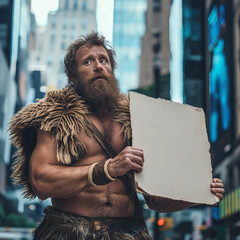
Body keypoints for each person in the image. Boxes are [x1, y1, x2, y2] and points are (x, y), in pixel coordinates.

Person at [9, 32, 224, 240]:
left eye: (104, 60)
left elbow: (157, 200)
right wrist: (105, 169)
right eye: (88, 62)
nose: (98, 66)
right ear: (72, 75)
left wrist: (201, 193)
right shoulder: (56, 117)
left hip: (128, 232)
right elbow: (40, 180)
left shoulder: (137, 119)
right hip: (70, 232)